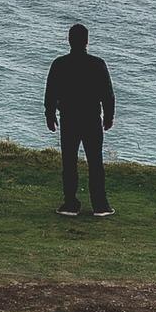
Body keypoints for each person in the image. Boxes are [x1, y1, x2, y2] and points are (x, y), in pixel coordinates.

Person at [45, 22, 115, 217]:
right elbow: (107, 94)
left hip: (69, 119)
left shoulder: (59, 64)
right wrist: (109, 116)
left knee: (69, 162)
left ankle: (70, 204)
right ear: (87, 41)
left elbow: (50, 93)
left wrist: (50, 115)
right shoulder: (97, 64)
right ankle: (100, 205)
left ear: (69, 41)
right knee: (95, 162)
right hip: (91, 119)